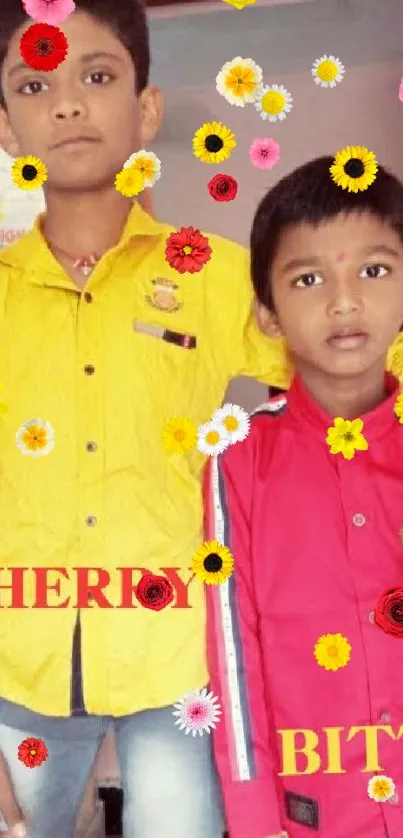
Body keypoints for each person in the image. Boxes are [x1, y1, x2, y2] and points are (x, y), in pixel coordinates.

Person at [0, 0, 296, 836]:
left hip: (175, 669)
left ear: (146, 108)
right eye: (35, 84)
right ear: (8, 126)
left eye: (96, 76)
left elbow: (349, 369)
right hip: (15, 672)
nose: (66, 104)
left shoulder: (209, 276)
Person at [204, 154, 403, 838]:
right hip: (310, 819)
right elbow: (234, 658)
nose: (343, 301)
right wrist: (257, 825)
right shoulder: (237, 459)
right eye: (308, 278)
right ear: (267, 311)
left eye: (372, 271)